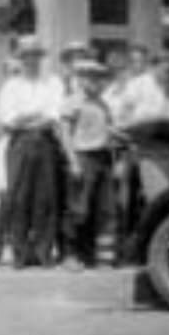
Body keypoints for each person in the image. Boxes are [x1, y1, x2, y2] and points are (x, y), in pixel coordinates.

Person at [0, 36, 66, 267]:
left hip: (46, 142)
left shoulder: (53, 82)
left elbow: (54, 115)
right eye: (27, 57)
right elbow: (8, 119)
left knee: (45, 198)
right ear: (21, 59)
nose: (31, 61)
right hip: (19, 143)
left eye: (35, 56)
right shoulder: (11, 86)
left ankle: (44, 251)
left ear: (41, 59)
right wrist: (33, 116)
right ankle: (20, 253)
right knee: (19, 197)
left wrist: (26, 116)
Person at [61, 60, 117, 269]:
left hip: (103, 158)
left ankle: (103, 257)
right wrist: (73, 161)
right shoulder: (72, 102)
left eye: (98, 78)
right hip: (83, 156)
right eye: (89, 77)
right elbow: (65, 134)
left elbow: (109, 131)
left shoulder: (103, 104)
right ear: (81, 79)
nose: (94, 82)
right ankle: (71, 255)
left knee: (105, 209)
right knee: (78, 208)